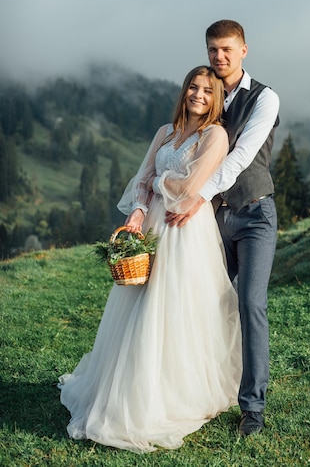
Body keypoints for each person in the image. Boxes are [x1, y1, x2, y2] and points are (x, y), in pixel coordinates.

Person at [58, 66, 242, 454]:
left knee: (174, 305)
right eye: (193, 87)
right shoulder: (165, 132)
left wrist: (161, 184)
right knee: (139, 303)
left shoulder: (216, 136)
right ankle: (128, 385)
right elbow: (143, 177)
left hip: (186, 228)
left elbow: (190, 187)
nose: (198, 95)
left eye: (207, 91)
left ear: (216, 99)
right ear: (184, 91)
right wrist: (139, 211)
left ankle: (173, 392)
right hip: (155, 223)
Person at [166, 20, 280, 437]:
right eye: (213, 49)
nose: (220, 57)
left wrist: (197, 196)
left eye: (228, 49)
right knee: (207, 305)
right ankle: (202, 389)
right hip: (212, 220)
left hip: (253, 214)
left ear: (244, 50)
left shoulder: (265, 98)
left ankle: (252, 408)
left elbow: (240, 157)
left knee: (250, 304)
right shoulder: (207, 92)